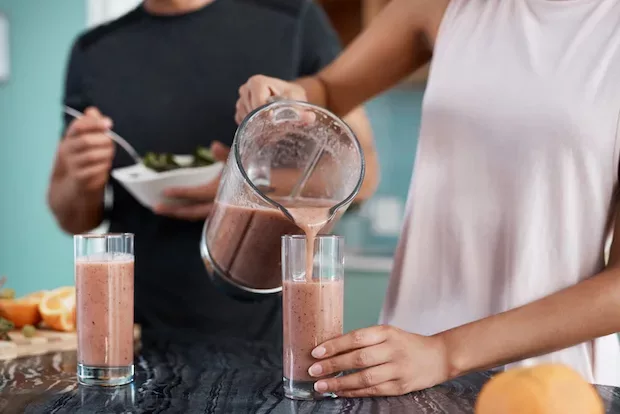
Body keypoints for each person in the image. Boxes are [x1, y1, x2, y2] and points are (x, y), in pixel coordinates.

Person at [236, 0, 620, 396]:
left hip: (549, 380)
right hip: (403, 368)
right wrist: (287, 97)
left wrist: (444, 351)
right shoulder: (447, 6)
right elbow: (330, 91)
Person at [47, 0, 377, 342]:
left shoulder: (293, 21)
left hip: (271, 330)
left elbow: (363, 175)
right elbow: (74, 219)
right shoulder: (94, 51)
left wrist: (245, 188)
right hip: (134, 332)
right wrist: (79, 176)